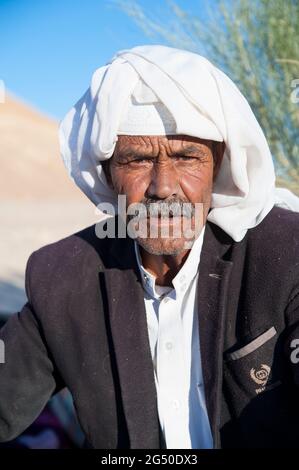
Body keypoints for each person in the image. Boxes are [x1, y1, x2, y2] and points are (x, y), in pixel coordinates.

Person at [1, 45, 299, 449]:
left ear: (218, 165)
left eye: (187, 157)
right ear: (108, 172)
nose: (162, 187)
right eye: (137, 160)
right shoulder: (63, 276)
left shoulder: (284, 253)